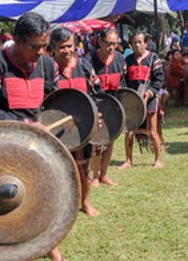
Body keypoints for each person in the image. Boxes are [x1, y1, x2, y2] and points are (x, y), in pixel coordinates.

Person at [0, 12, 70, 261]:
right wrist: (27, 125)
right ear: (17, 40)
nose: (40, 52)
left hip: (36, 148)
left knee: (43, 197)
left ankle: (50, 248)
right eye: (35, 47)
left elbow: (52, 102)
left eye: (44, 46)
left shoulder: (47, 65)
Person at [50, 26, 101, 216]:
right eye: (62, 47)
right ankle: (63, 207)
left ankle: (85, 203)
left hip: (83, 126)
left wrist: (98, 113)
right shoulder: (49, 69)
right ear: (53, 48)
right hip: (58, 128)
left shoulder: (84, 66)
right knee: (60, 168)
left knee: (85, 166)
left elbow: (97, 92)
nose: (67, 50)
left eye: (70, 46)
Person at [119, 30, 164, 169]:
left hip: (149, 99)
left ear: (146, 43)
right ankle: (128, 160)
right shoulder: (128, 60)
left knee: (152, 131)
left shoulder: (153, 58)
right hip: (133, 99)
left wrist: (150, 93)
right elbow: (124, 80)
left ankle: (158, 160)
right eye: (134, 43)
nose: (137, 45)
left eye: (140, 42)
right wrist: (126, 94)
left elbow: (159, 80)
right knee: (129, 131)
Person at [87, 28, 126, 187]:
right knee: (96, 141)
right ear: (100, 42)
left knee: (110, 140)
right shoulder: (89, 59)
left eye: (115, 44)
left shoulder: (120, 59)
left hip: (114, 104)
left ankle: (104, 174)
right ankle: (95, 176)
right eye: (109, 43)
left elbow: (123, 84)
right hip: (96, 104)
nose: (111, 47)